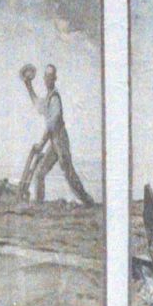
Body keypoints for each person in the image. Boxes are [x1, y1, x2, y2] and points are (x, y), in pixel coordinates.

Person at [19, 62, 94, 206]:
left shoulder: (55, 98)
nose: (48, 79)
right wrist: (28, 86)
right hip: (54, 142)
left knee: (69, 173)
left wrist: (41, 144)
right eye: (46, 77)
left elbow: (52, 125)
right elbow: (37, 104)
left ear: (54, 78)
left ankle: (87, 200)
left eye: (50, 77)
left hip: (60, 140)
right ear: (44, 78)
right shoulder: (48, 98)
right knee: (40, 173)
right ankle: (39, 204)